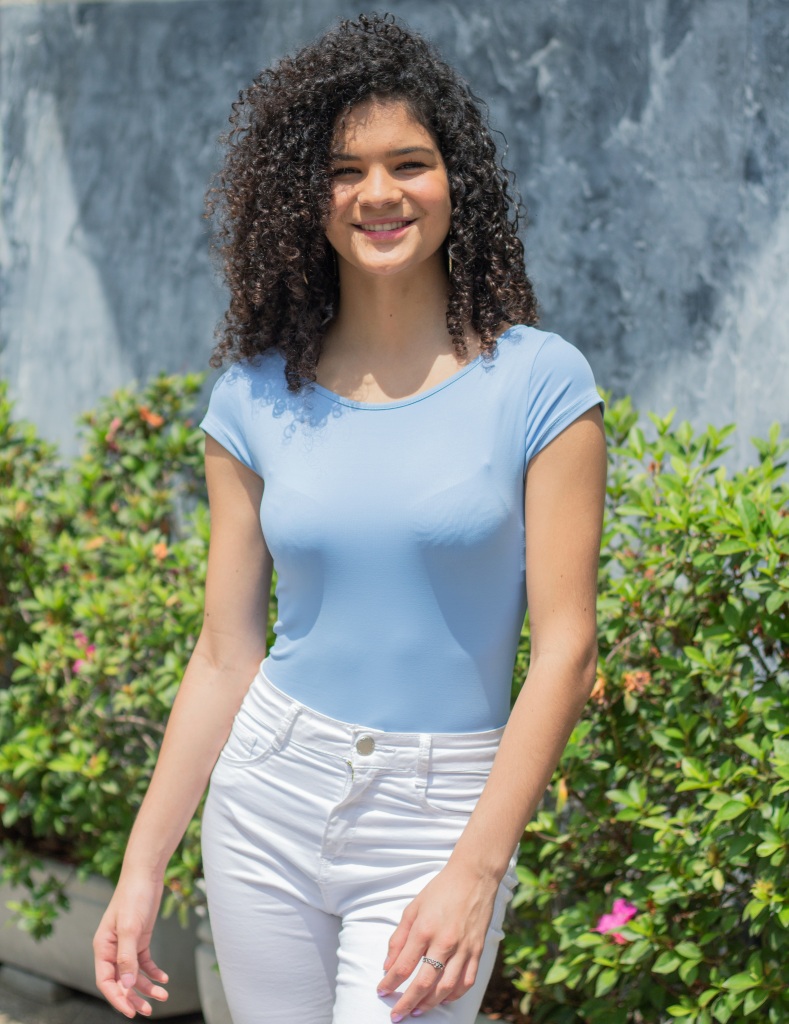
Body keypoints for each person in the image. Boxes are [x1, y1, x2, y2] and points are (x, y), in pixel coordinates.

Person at [93, 13, 607, 1024]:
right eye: (344, 171)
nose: (378, 194)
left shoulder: (541, 383)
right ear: (305, 196)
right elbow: (223, 653)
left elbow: (567, 651)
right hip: (268, 794)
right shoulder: (251, 398)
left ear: (456, 180)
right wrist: (141, 867)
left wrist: (477, 868)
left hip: (440, 815)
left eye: (409, 163)